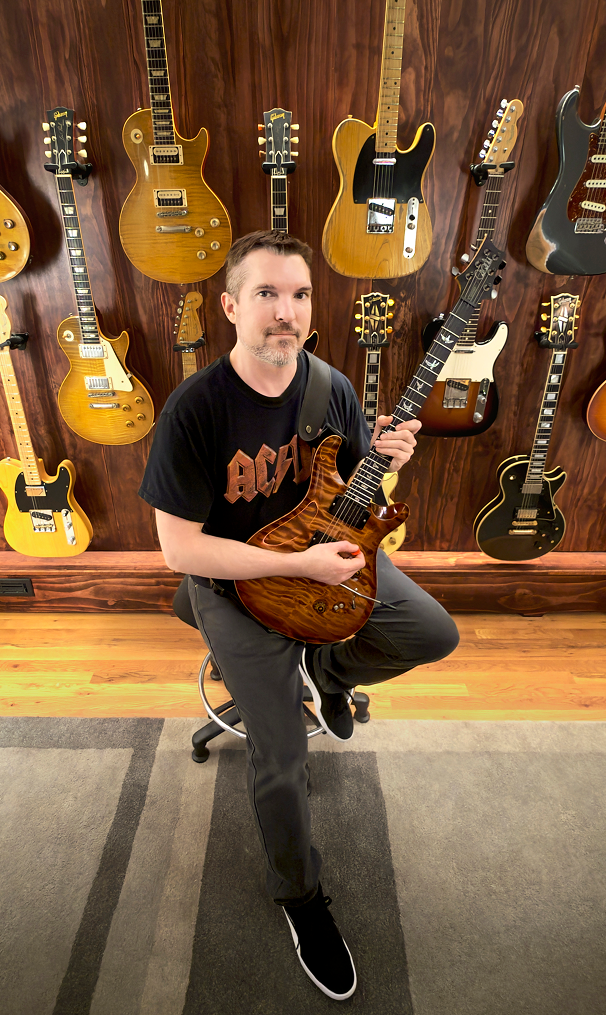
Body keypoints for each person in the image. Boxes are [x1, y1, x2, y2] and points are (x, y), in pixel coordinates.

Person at [139, 229, 459, 1001]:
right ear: (230, 307)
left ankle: (328, 666)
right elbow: (181, 551)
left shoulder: (331, 388)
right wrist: (294, 567)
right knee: (281, 755)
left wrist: (387, 461)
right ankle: (301, 897)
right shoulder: (194, 411)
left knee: (432, 631)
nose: (286, 312)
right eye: (267, 294)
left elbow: (350, 498)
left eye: (300, 295)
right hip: (235, 588)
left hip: (322, 560)